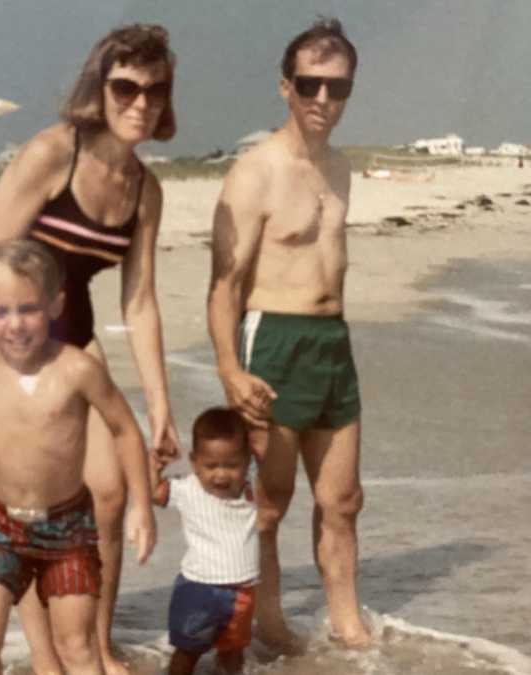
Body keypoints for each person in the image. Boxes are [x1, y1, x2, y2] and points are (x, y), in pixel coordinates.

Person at [0, 23, 181, 674]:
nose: (141, 102)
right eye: (126, 87)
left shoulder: (146, 191)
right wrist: (10, 370)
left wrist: (160, 406)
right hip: (2, 319)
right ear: (100, 87)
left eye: (155, 90)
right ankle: (46, 654)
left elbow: (138, 301)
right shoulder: (55, 151)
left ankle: (97, 643)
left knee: (108, 491)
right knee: (33, 486)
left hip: (71, 322)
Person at [206, 17, 371, 651]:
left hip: (333, 343)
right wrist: (230, 368)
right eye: (311, 85)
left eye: (338, 88)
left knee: (344, 499)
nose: (324, 101)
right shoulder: (255, 172)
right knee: (268, 504)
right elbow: (224, 284)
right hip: (271, 340)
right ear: (285, 87)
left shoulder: (342, 170)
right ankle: (268, 624)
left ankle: (347, 625)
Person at [0, 239, 156, 675]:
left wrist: (141, 507)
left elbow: (125, 429)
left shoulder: (76, 370)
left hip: (68, 529)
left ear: (55, 305)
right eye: (0, 312)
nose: (15, 325)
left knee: (77, 650)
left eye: (28, 309)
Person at [149, 407, 257, 675]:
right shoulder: (188, 488)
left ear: (247, 461)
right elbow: (152, 492)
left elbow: (271, 464)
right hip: (199, 590)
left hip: (242, 591)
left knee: (233, 654)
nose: (220, 475)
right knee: (186, 654)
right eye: (210, 466)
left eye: (231, 465)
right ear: (195, 462)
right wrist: (156, 465)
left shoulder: (251, 491)